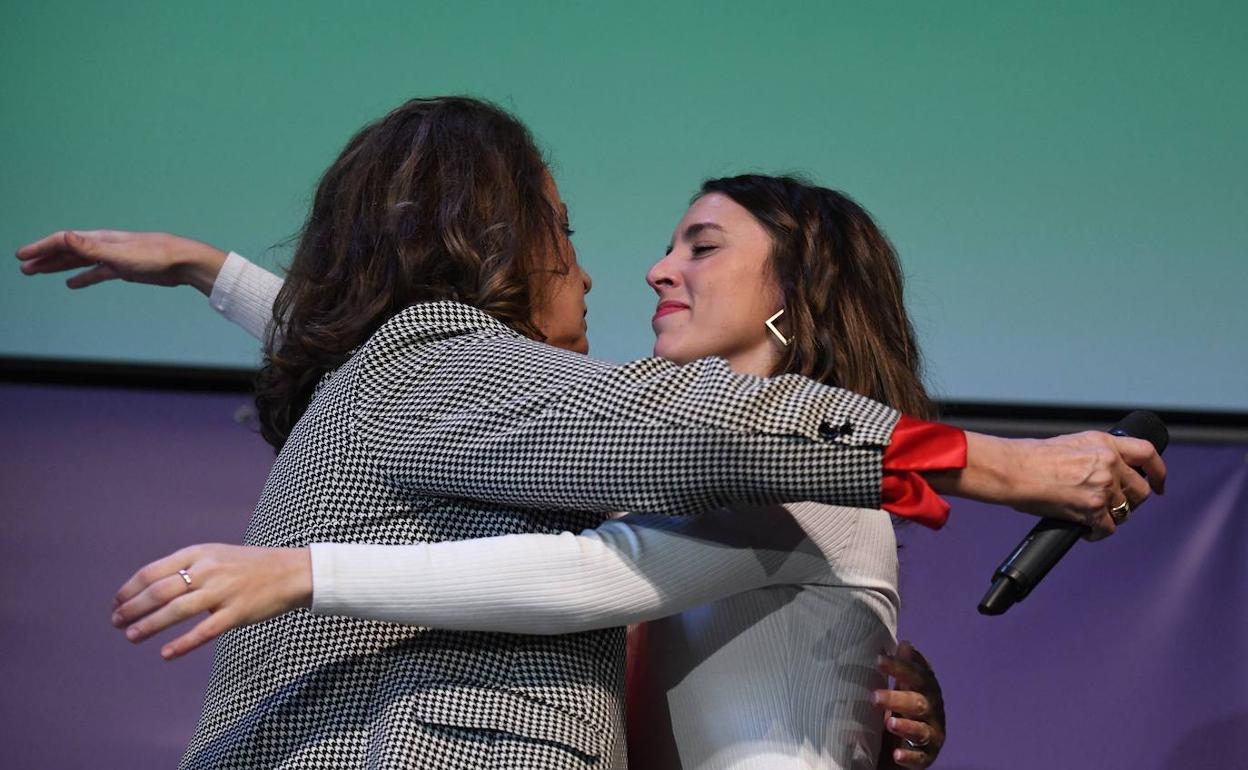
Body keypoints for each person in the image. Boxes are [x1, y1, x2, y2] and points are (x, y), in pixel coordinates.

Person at [17, 100, 1162, 770]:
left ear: (795, 290)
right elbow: (412, 371)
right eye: (569, 229)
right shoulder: (482, 380)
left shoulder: (789, 463)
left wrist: (308, 570)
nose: (644, 267)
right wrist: (214, 274)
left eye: (702, 245)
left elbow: (596, 559)